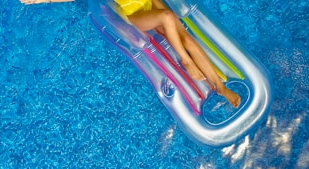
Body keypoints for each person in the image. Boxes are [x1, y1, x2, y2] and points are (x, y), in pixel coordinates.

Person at [19, 0, 241, 107]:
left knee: (188, 39)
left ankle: (221, 88)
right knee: (166, 17)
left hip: (150, 3)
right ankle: (186, 61)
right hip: (135, 14)